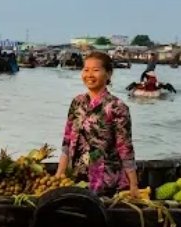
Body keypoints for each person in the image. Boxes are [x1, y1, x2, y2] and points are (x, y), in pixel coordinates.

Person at [56, 51, 139, 195]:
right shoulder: (77, 102)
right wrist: (59, 175)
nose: (89, 75)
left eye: (95, 70)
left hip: (106, 183)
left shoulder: (117, 107)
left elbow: (125, 148)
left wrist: (134, 185)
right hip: (76, 179)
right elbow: (67, 142)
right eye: (86, 70)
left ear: (108, 74)